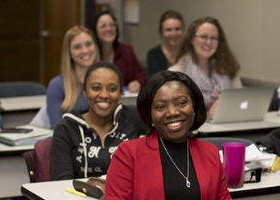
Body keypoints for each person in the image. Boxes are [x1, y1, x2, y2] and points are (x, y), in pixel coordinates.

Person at [105, 71, 230, 199]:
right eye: (160, 106)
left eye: (181, 103)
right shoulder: (128, 155)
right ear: (150, 115)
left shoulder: (210, 153)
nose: (172, 112)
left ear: (194, 106)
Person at [50, 62, 146, 180]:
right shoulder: (67, 127)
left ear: (120, 93)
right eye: (96, 88)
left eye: (112, 89)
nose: (104, 95)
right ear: (85, 91)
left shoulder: (134, 117)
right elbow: (61, 182)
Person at [169, 16, 242, 117]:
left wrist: (227, 105)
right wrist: (208, 115)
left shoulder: (229, 68)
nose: (208, 42)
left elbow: (240, 101)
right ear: (192, 39)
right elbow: (174, 114)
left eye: (213, 38)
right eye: (203, 37)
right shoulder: (176, 73)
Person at [46, 26, 100, 128]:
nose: (85, 50)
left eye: (88, 44)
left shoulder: (108, 81)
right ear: (69, 53)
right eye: (77, 47)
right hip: (72, 142)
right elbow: (58, 129)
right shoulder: (57, 85)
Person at [93, 11, 146, 93]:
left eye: (112, 25)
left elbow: (141, 76)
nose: (109, 29)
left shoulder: (126, 51)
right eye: (103, 26)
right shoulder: (90, 52)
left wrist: (137, 83)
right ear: (95, 30)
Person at [146, 10, 183, 77]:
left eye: (177, 29)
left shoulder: (190, 53)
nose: (173, 34)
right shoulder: (153, 54)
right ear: (161, 33)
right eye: (168, 30)